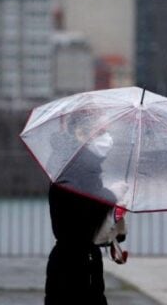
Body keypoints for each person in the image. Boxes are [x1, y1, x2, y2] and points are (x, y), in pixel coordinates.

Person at [44, 117, 125, 305]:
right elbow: (81, 214)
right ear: (80, 133)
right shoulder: (75, 166)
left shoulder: (75, 162)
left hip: (76, 261)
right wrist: (111, 195)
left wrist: (109, 197)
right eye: (100, 132)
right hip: (75, 266)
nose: (107, 138)